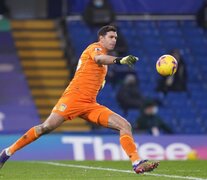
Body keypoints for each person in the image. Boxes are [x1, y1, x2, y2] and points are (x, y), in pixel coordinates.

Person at [0, 25, 159, 174]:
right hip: (73, 99)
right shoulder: (94, 48)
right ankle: (7, 152)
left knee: (125, 125)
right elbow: (99, 59)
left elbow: (97, 75)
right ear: (101, 38)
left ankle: (136, 163)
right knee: (45, 127)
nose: (114, 40)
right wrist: (120, 60)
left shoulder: (105, 63)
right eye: (110, 37)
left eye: (116, 38)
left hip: (90, 104)